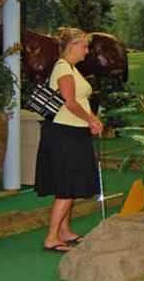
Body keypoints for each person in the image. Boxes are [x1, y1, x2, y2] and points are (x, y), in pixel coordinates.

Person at [35, 27, 103, 252]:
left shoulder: (71, 68)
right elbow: (70, 102)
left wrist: (88, 121)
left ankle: (65, 231)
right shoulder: (63, 68)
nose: (87, 50)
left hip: (72, 131)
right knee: (67, 186)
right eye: (84, 45)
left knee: (68, 184)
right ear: (73, 46)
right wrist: (91, 119)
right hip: (65, 133)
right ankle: (52, 237)